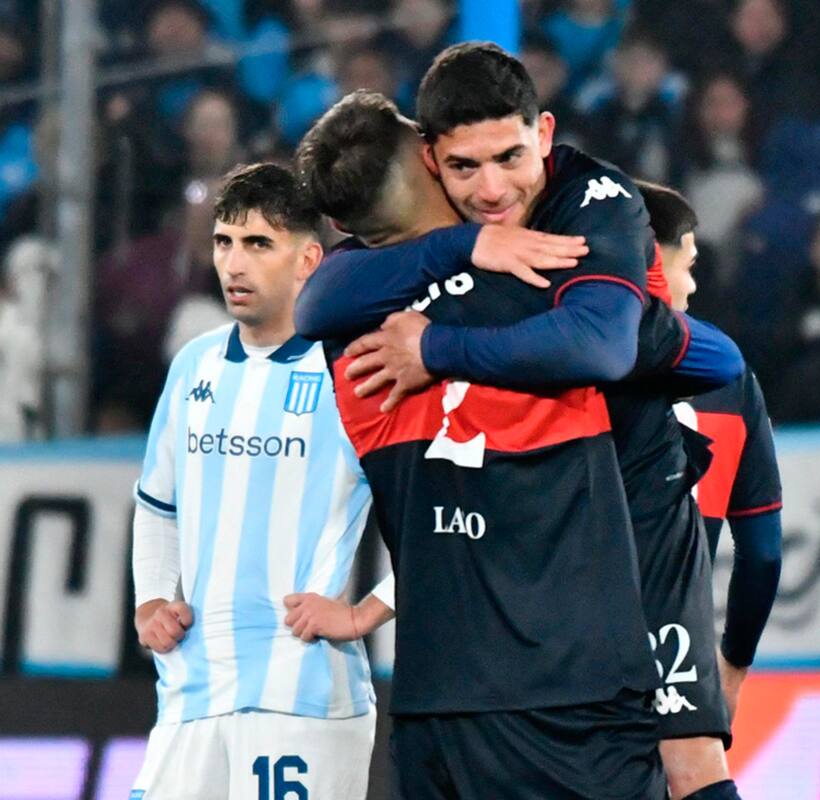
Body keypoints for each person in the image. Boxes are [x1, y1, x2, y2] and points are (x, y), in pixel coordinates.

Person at [294, 54, 744, 795]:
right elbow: (678, 354)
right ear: (431, 160)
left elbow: (312, 303)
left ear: (543, 133)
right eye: (465, 168)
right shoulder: (539, 281)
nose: (493, 189)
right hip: (576, 666)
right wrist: (631, 317)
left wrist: (437, 343)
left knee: (694, 755)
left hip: (446, 688)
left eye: (509, 158)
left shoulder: (359, 310)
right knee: (693, 759)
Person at [128, 163, 389, 799]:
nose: (234, 265)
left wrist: (365, 613)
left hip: (301, 699)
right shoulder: (195, 363)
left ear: (308, 259)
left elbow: (450, 516)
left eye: (258, 244)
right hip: (191, 692)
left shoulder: (358, 368)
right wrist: (151, 599)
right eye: (224, 242)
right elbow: (158, 504)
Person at [639, 180, 784, 724]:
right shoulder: (729, 374)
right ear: (654, 260)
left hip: (568, 666)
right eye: (689, 263)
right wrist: (732, 667)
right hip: (683, 663)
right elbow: (763, 554)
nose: (693, 285)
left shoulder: (561, 362)